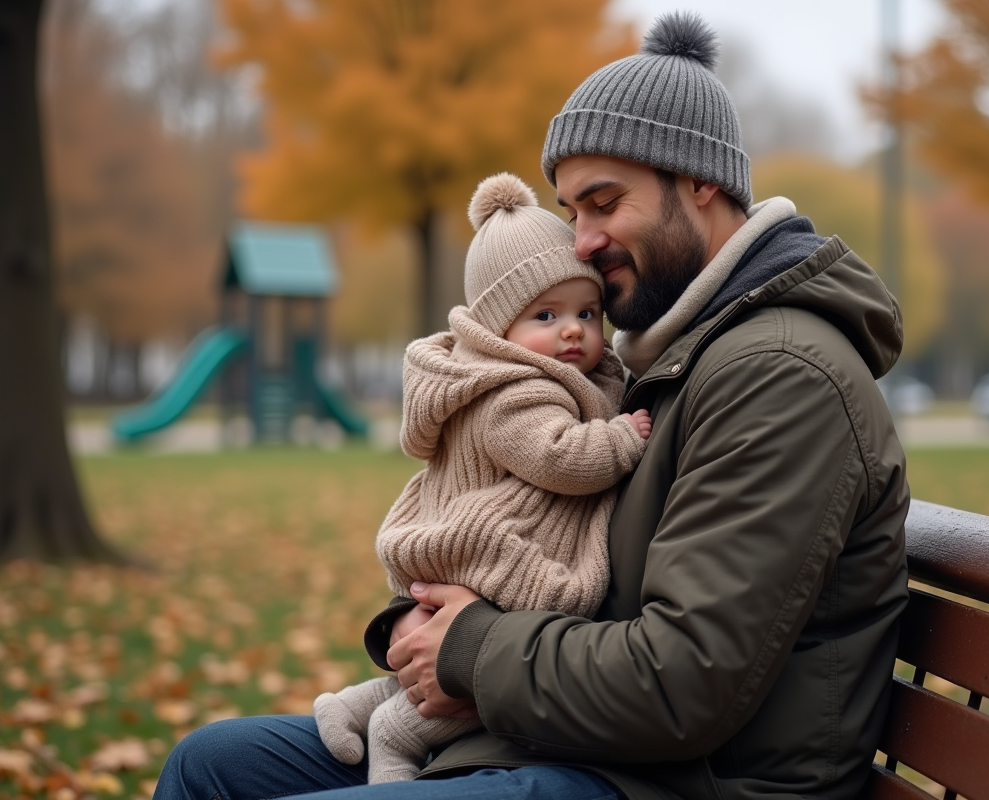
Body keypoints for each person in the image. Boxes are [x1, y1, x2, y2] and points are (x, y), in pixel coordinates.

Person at [155, 12, 909, 800]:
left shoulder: (778, 375)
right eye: (572, 211)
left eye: (604, 203)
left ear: (700, 182)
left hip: (679, 781)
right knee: (210, 766)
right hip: (570, 738)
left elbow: (683, 682)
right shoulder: (669, 357)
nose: (580, 241)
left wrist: (471, 649)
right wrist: (422, 621)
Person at [311, 173, 652, 784]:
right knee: (458, 685)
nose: (573, 330)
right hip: (492, 557)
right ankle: (394, 737)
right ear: (498, 331)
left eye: (587, 312)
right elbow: (559, 459)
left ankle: (352, 706)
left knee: (429, 665)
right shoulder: (513, 395)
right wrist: (621, 438)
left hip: (475, 563)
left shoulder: (550, 377)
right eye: (545, 314)